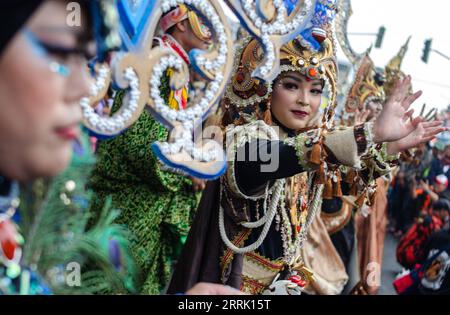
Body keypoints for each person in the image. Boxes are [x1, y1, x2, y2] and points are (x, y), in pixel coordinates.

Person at [167, 13, 444, 293]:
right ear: (265, 87)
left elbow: (345, 182)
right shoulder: (245, 140)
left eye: (315, 90)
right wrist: (368, 133)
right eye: (291, 85)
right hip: (234, 286)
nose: (305, 100)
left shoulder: (299, 142)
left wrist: (389, 148)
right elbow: (275, 159)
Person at [88, 4, 212, 294]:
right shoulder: (158, 65)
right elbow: (141, 147)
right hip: (129, 207)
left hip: (141, 207)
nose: (212, 33)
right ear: (180, 23)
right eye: (203, 20)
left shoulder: (172, 65)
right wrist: (188, 167)